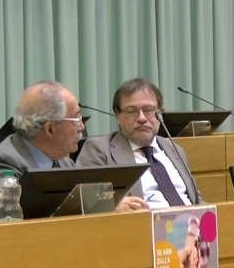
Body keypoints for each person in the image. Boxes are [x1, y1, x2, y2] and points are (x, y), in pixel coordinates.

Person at [76, 77, 203, 210]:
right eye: (132, 111)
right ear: (118, 115)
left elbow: (196, 200)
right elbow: (85, 201)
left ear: (160, 112)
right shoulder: (99, 150)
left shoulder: (174, 149)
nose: (142, 118)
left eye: (148, 110)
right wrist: (113, 206)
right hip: (141, 221)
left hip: (191, 221)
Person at [0, 81, 83, 223]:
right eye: (76, 119)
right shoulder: (0, 164)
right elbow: (12, 224)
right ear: (50, 129)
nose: (81, 126)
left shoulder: (65, 163)